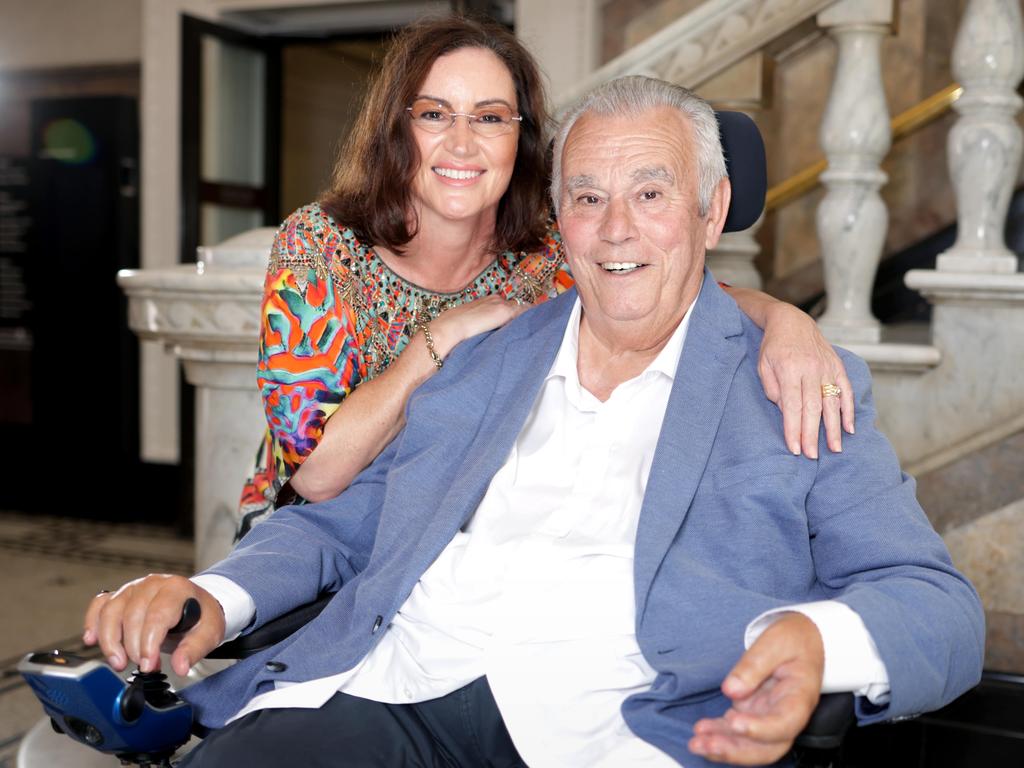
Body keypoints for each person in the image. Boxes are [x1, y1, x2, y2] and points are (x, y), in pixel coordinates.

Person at [85, 76, 984, 767]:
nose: (616, 229)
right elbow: (342, 521)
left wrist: (814, 641)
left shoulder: (799, 385)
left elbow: (939, 610)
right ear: (560, 220)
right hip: (391, 686)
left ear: (712, 212)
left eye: (652, 193)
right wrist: (213, 593)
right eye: (587, 198)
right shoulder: (490, 355)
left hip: (617, 727)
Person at [234, 15, 856, 539]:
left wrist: (786, 320)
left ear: (521, 137)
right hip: (324, 535)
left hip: (464, 530)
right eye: (433, 114)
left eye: (490, 118)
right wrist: (440, 340)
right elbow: (315, 475)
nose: (461, 143)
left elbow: (678, 290)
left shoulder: (551, 244)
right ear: (398, 127)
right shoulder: (321, 245)